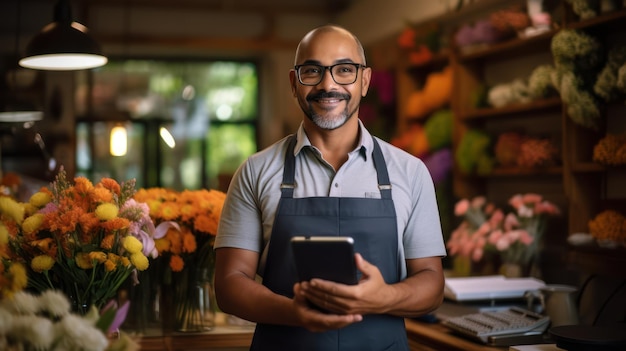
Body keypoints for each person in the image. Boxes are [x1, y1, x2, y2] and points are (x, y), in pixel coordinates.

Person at [214, 24, 447, 351]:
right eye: (313, 71)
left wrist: (384, 298)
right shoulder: (255, 171)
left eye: (344, 70)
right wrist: (293, 312)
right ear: (294, 84)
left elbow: (432, 285)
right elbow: (228, 284)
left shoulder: (410, 172)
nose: (328, 84)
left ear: (364, 81)